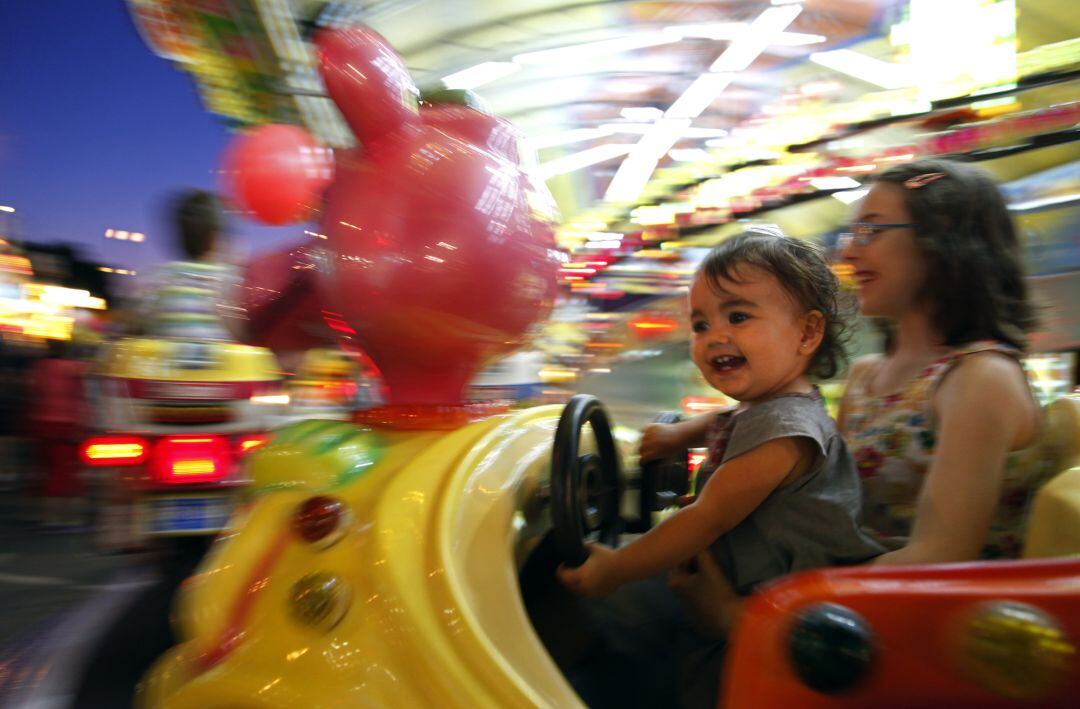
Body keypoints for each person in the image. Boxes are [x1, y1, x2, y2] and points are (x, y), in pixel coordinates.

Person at [671, 158, 1047, 639]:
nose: (849, 251)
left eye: (871, 230)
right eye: (850, 234)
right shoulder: (869, 378)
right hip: (843, 611)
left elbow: (939, 558)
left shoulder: (980, 378)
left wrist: (746, 613)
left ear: (943, 237)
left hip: (912, 636)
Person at [558, 227, 884, 708]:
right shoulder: (776, 404)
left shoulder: (787, 430)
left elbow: (708, 516)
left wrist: (619, 568)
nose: (715, 337)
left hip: (766, 610)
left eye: (737, 316)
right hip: (742, 588)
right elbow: (732, 418)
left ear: (808, 332)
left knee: (617, 619)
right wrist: (680, 433)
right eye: (700, 325)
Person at [141, 189, 239, 341]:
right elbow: (240, 330)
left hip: (165, 363)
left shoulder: (158, 279)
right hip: (222, 363)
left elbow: (137, 325)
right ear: (213, 237)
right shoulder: (230, 280)